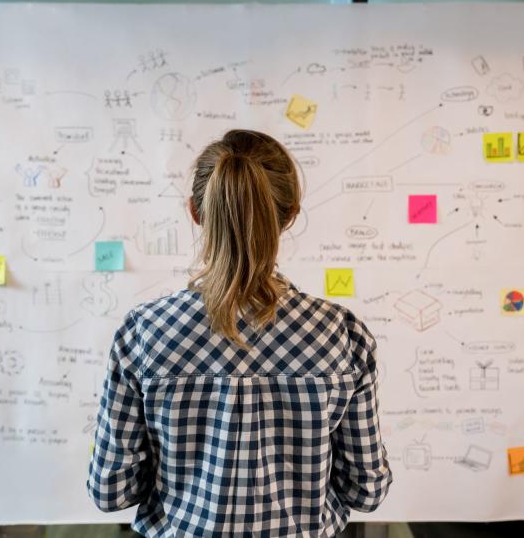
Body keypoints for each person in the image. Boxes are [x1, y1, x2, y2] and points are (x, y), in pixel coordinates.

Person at [88, 129, 392, 536]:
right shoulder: (342, 334)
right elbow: (366, 491)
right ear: (289, 215)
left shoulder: (143, 332)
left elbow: (111, 490)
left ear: (195, 211)